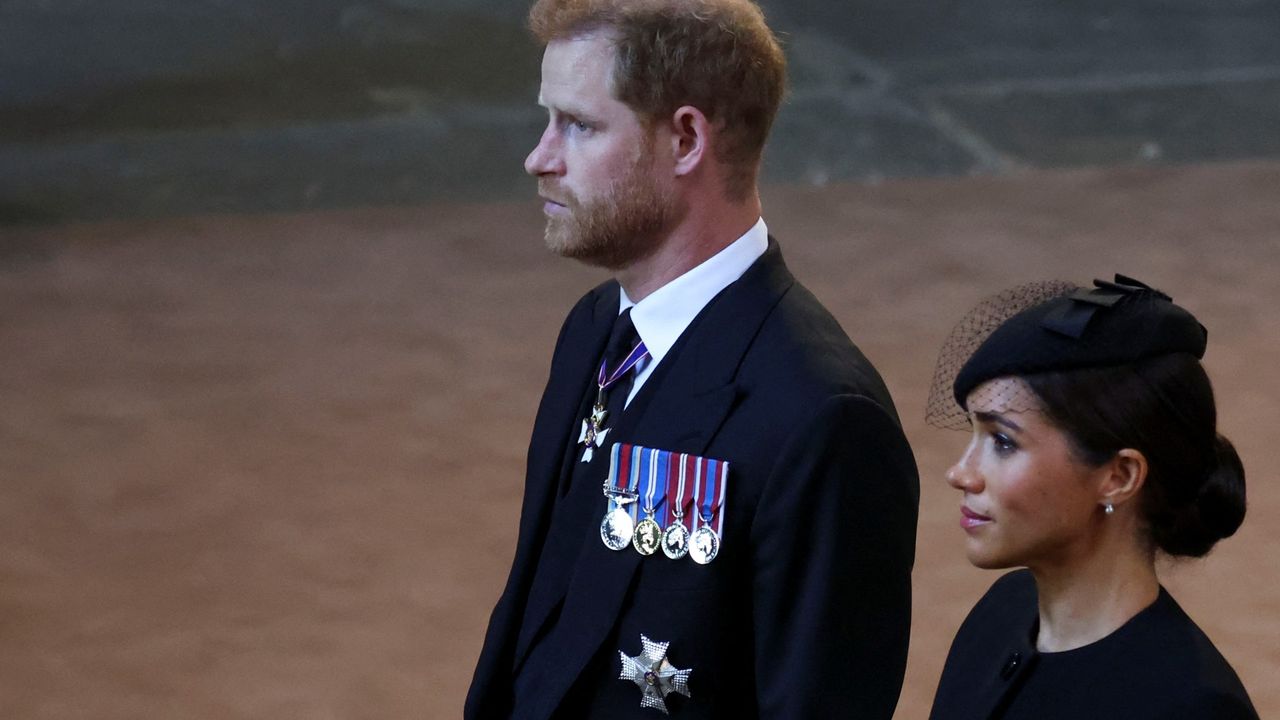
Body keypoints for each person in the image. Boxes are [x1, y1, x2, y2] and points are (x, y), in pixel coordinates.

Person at [465, 1, 920, 717]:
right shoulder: (596, 330)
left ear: (685, 140)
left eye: (579, 126)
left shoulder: (821, 420)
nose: (539, 157)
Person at [925, 275, 1258, 720]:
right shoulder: (999, 615)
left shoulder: (1191, 707)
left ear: (1119, 476)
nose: (960, 473)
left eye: (1003, 442)